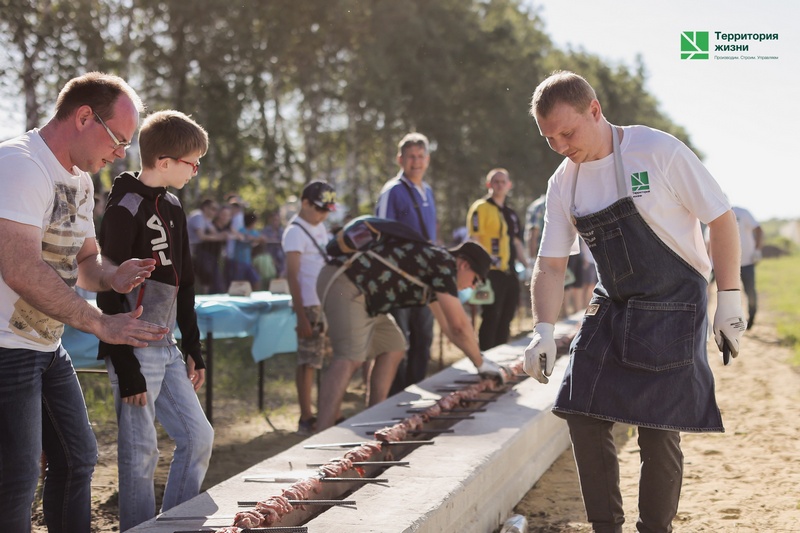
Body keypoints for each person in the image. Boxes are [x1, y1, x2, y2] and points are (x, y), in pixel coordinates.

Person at [522, 70, 746, 533]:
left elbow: (721, 219)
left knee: (658, 429)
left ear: (595, 110)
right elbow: (551, 265)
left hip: (674, 303)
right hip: (614, 301)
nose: (560, 145)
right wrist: (542, 329)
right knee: (579, 411)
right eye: (549, 138)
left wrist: (729, 298)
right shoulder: (564, 183)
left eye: (568, 133)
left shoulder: (657, 151)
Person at [0, 72, 169, 532]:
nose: (121, 154)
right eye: (119, 140)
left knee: (78, 459)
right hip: (6, 348)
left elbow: (86, 262)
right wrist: (100, 323)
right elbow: (20, 268)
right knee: (17, 478)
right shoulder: (19, 165)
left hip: (45, 344)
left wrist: (114, 276)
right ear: (83, 117)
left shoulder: (82, 179)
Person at [96, 109, 215, 531]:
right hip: (133, 346)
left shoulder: (175, 204)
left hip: (167, 346)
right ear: (164, 162)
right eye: (192, 163)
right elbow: (107, 288)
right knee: (140, 453)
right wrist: (125, 366)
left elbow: (186, 281)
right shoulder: (124, 208)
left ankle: (175, 524)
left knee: (198, 437)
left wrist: (193, 347)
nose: (196, 170)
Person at [315, 230, 505, 432]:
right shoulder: (443, 265)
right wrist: (481, 364)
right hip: (345, 281)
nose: (473, 287)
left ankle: (371, 418)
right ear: (464, 265)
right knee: (349, 358)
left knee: (394, 345)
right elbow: (459, 326)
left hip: (365, 295)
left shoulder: (436, 269)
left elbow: (450, 329)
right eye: (476, 280)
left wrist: (480, 360)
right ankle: (321, 430)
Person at [376, 132, 438, 395]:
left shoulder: (428, 191)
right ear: (400, 159)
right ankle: (396, 397)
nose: (416, 161)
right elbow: (380, 235)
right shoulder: (393, 191)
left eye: (421, 156)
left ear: (427, 159)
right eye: (411, 156)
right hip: (399, 279)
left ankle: (417, 392)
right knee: (398, 341)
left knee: (424, 337)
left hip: (424, 279)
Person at [282, 181, 336, 434]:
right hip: (309, 306)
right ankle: (306, 416)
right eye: (319, 209)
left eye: (327, 210)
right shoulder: (295, 232)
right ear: (305, 203)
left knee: (324, 359)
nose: (323, 214)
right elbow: (292, 276)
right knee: (308, 361)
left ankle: (328, 410)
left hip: (325, 302)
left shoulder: (320, 226)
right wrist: (301, 315)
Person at [467, 168, 529, 350]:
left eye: (503, 182)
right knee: (491, 315)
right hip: (490, 273)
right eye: (496, 182)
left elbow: (516, 242)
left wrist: (528, 266)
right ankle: (486, 355)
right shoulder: (480, 208)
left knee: (507, 315)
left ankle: (501, 352)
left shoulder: (511, 213)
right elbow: (475, 239)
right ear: (489, 184)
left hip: (510, 272)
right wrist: (480, 267)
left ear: (509, 185)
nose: (500, 185)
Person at [187, 198, 227, 294]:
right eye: (213, 209)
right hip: (189, 253)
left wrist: (224, 234)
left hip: (195, 252)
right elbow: (202, 236)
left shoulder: (205, 219)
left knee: (207, 276)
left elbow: (215, 233)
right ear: (205, 208)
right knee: (205, 275)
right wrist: (220, 237)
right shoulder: (198, 216)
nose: (215, 212)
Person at [732, 205, 763, 329]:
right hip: (730, 264)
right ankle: (734, 320)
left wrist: (758, 250)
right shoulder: (717, 212)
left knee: (750, 291)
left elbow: (759, 230)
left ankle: (752, 316)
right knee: (730, 293)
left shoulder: (743, 213)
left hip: (747, 262)